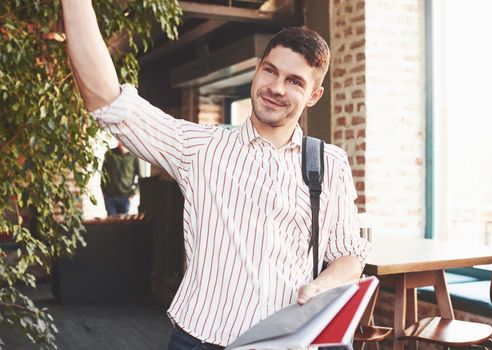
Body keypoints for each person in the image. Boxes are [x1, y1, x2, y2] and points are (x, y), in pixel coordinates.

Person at [61, 1, 371, 348]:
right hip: (199, 340)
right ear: (257, 70)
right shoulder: (200, 148)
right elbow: (106, 99)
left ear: (314, 95)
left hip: (283, 342)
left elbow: (349, 255)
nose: (277, 87)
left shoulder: (330, 163)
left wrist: (319, 288)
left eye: (294, 81)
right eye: (270, 71)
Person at [101, 141, 140, 216]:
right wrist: (104, 192)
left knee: (123, 225)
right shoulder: (109, 153)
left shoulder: (134, 156)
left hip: (125, 197)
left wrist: (133, 193)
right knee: (111, 224)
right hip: (110, 196)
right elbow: (103, 173)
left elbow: (139, 177)